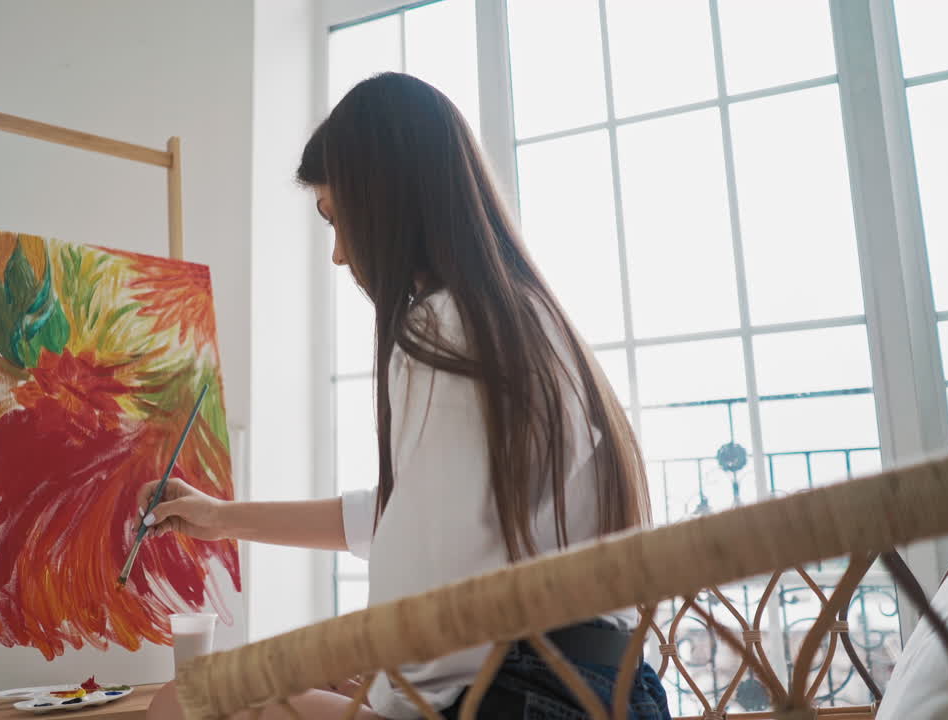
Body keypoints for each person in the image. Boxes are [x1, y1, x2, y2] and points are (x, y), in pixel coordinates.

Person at [145, 72, 669, 720]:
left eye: (337, 220)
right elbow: (406, 518)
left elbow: (428, 575)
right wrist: (222, 518)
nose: (338, 255)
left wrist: (382, 691)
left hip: (523, 699)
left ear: (385, 204)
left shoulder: (443, 327)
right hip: (612, 691)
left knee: (185, 698)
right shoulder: (528, 319)